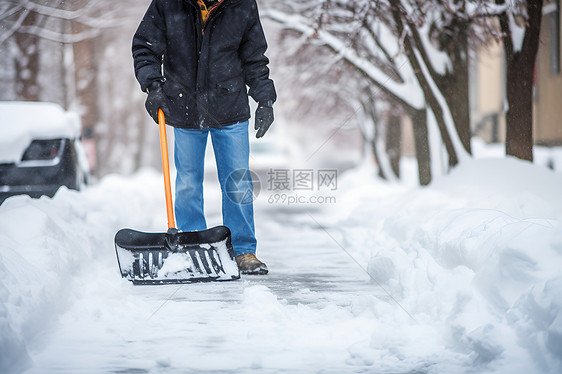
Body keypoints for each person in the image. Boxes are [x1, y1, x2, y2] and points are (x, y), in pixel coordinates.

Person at [132, 0, 276, 274]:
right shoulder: (168, 4)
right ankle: (192, 246)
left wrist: (265, 99)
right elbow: (145, 47)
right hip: (184, 106)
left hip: (229, 107)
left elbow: (254, 57)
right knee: (188, 181)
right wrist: (153, 86)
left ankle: (243, 251)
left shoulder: (241, 5)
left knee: (237, 181)